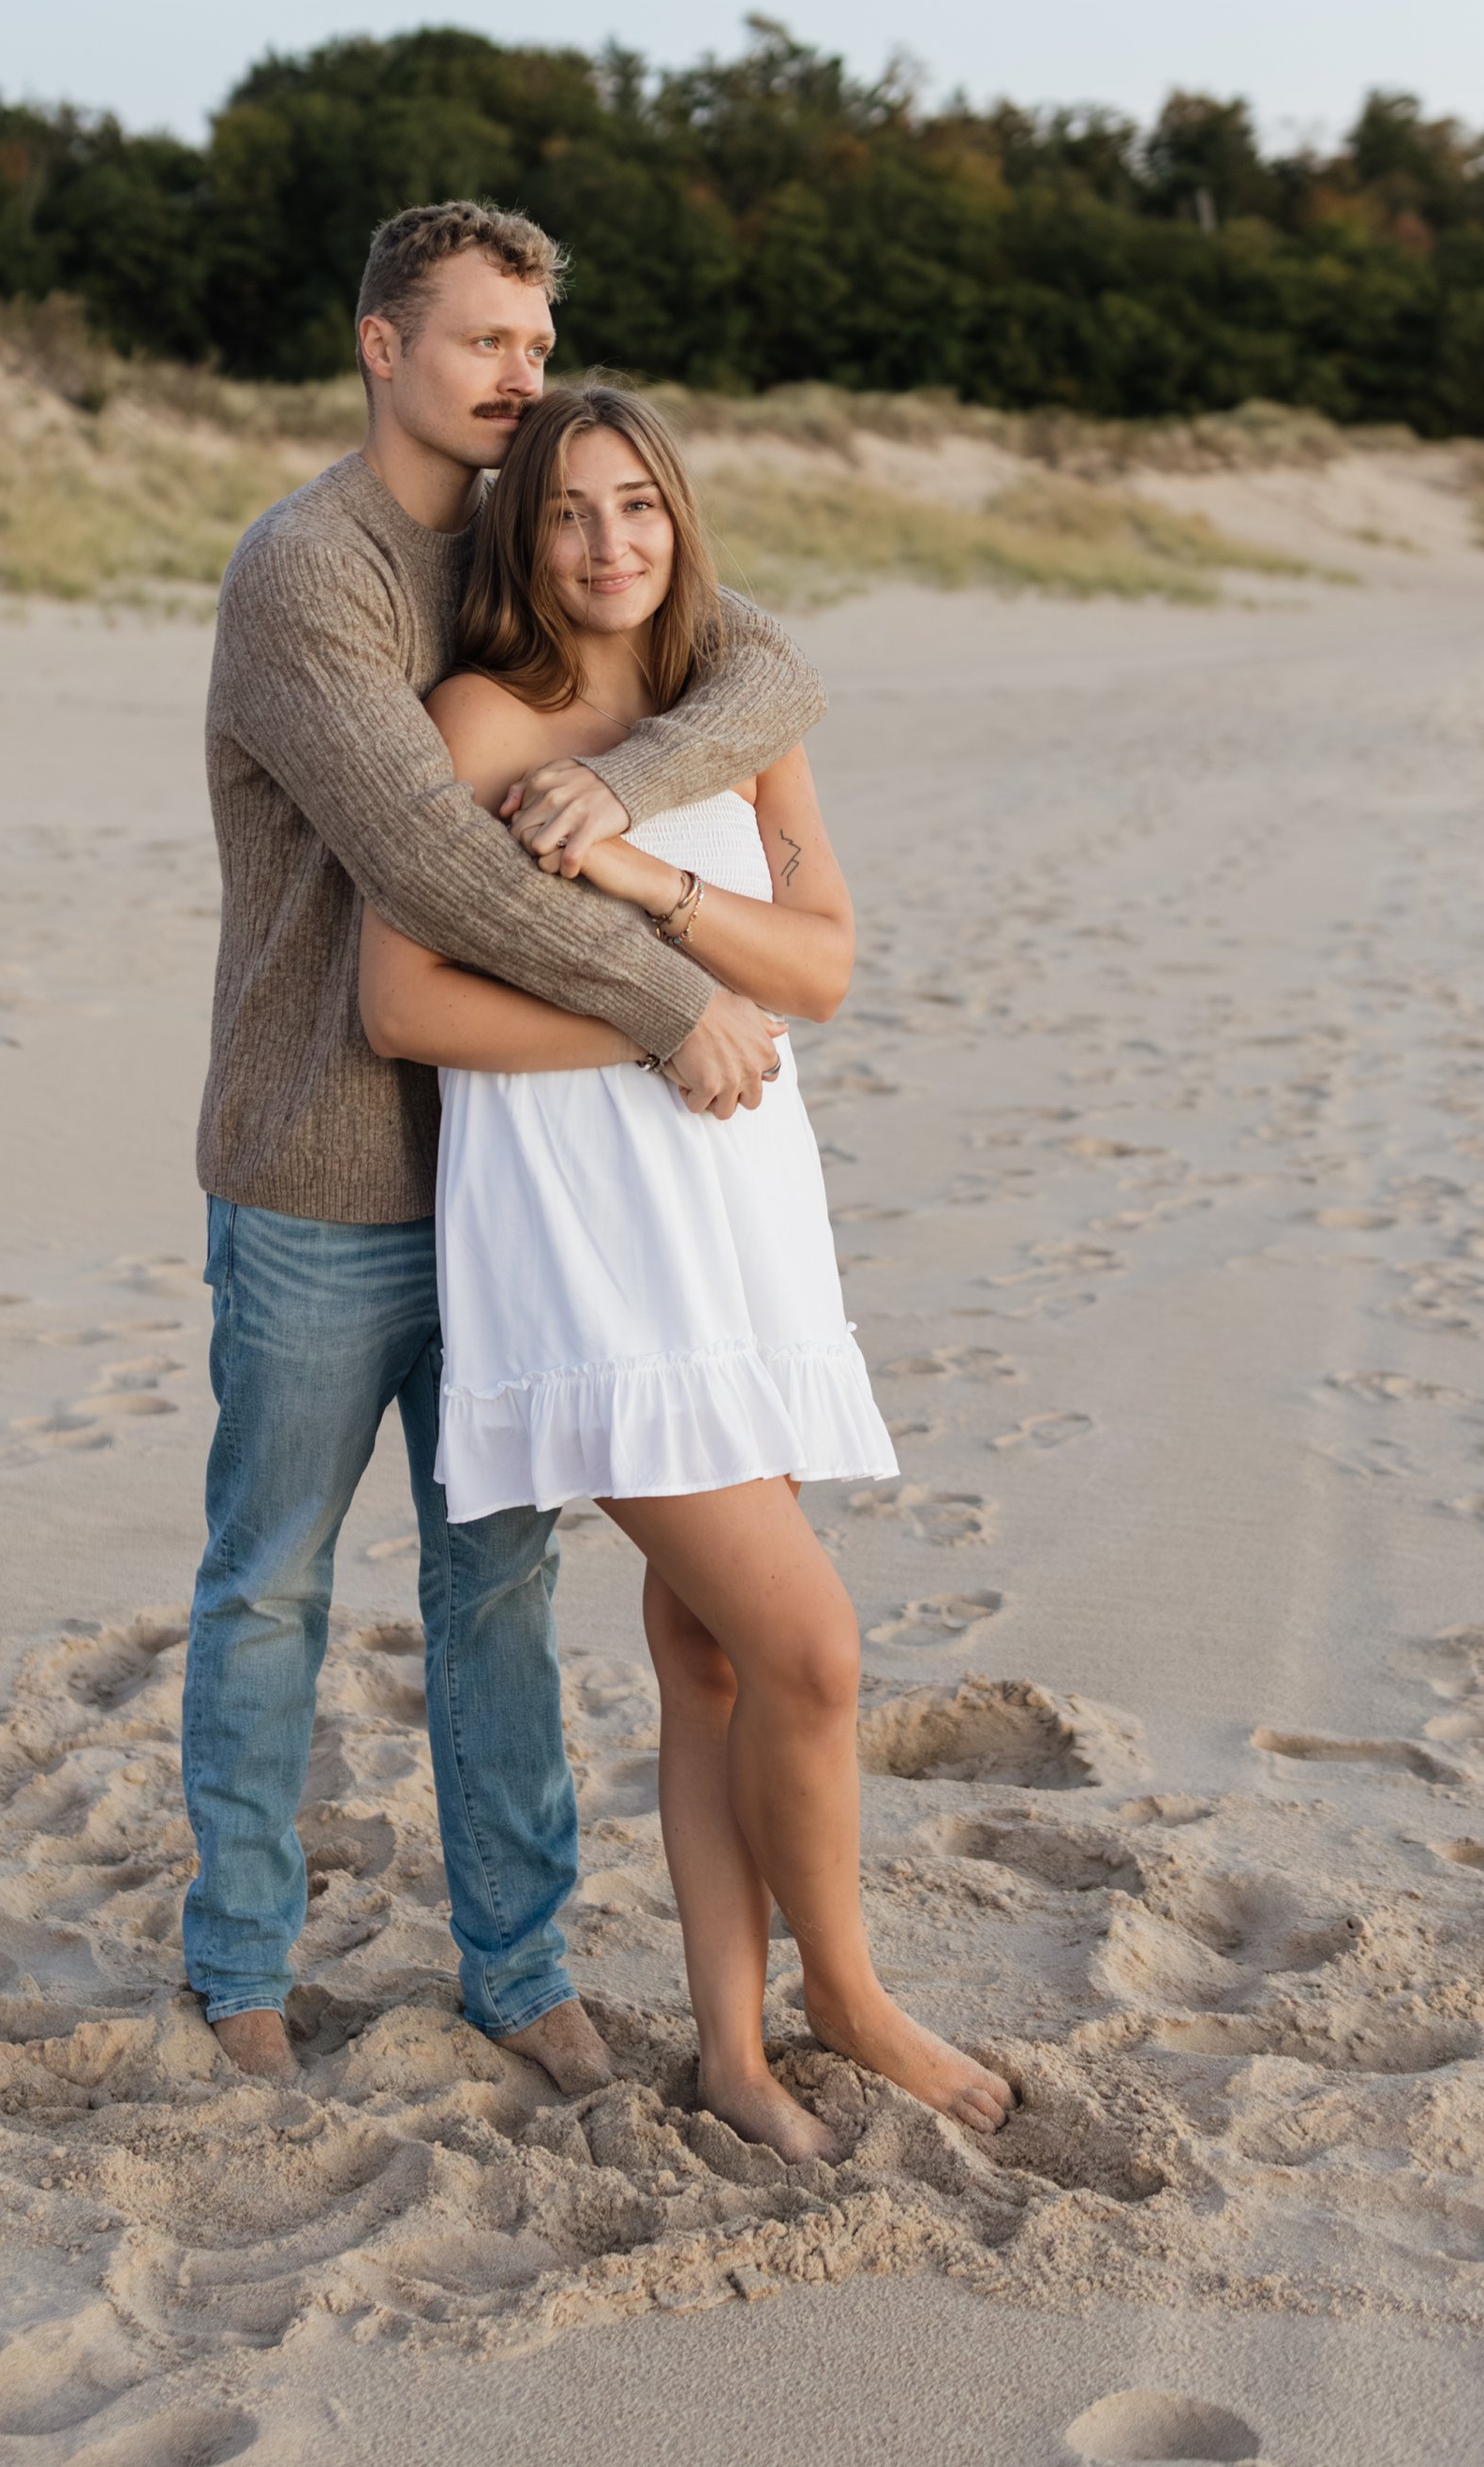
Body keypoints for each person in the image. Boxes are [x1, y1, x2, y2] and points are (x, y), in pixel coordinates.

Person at [181, 201, 827, 2086]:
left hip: (512, 1188)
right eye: (484, 342)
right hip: (319, 1170)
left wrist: (612, 783)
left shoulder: (523, 529)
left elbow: (765, 672)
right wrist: (668, 1005)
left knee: (498, 1595)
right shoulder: (308, 572)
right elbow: (431, 860)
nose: (520, 378)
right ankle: (238, 1970)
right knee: (271, 1582)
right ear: (380, 345)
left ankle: (520, 1970)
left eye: (537, 346)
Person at [359, 382, 1016, 2157]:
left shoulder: (733, 710)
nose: (609, 543)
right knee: (813, 1646)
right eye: (570, 510)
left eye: (639, 504)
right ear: (522, 533)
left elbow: (819, 968)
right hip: (593, 1249)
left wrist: (650, 884)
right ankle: (849, 1999)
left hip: (743, 1224)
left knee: (711, 1655)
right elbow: (402, 1002)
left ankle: (733, 2048)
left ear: (681, 518)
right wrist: (659, 1029)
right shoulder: (482, 719)